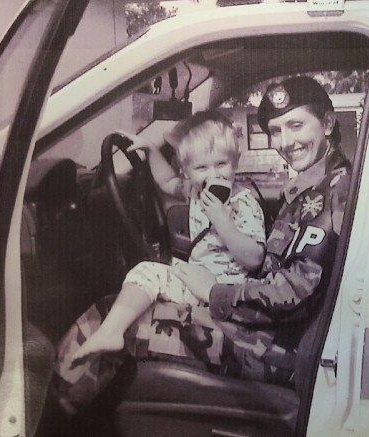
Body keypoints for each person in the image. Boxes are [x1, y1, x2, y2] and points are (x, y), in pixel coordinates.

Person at [52, 76, 351, 414]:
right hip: (262, 323)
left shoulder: (332, 194)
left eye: (296, 125)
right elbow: (169, 183)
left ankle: (57, 417)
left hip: (277, 346)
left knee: (107, 317)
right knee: (122, 304)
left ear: (327, 123)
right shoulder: (314, 185)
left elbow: (293, 293)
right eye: (277, 130)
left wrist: (213, 292)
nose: (286, 141)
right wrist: (151, 150)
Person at [67, 110, 266, 365]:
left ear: (236, 162)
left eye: (221, 164)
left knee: (145, 272)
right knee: (156, 276)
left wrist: (223, 222)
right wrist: (151, 150)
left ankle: (111, 332)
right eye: (202, 167)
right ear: (187, 171)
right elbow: (166, 181)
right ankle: (113, 329)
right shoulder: (195, 191)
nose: (213, 175)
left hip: (224, 291)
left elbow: (254, 258)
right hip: (200, 278)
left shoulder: (243, 203)